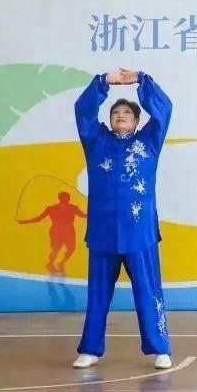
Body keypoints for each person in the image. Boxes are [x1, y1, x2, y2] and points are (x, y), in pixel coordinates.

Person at [72, 68, 173, 370]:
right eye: (116, 112)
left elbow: (164, 109)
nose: (121, 115)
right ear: (109, 119)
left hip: (139, 233)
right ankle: (90, 349)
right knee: (98, 294)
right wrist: (103, 83)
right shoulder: (96, 142)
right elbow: (83, 110)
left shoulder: (149, 142)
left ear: (137, 121)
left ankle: (160, 348)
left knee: (148, 290)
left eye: (127, 113)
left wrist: (142, 80)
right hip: (102, 232)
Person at [18, 191, 84, 274]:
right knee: (56, 249)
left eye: (67, 199)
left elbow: (82, 215)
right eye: (65, 199)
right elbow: (39, 218)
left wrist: (92, 213)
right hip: (57, 231)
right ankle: (51, 264)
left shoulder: (72, 207)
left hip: (67, 231)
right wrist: (26, 221)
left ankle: (60, 263)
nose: (66, 200)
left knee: (70, 248)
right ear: (60, 199)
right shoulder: (52, 208)